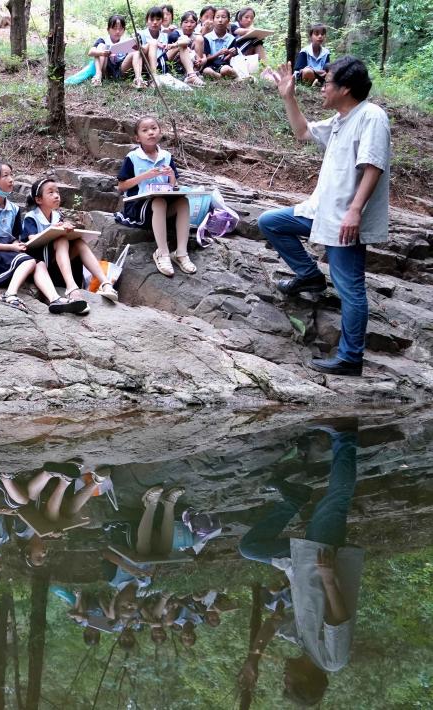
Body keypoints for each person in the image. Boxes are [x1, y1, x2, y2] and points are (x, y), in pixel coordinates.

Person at [260, 58, 390, 376]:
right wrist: (288, 96)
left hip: (346, 221)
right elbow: (303, 131)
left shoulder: (371, 116)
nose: (321, 87)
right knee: (271, 222)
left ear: (345, 88)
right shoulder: (340, 120)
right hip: (321, 212)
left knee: (350, 290)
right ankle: (310, 276)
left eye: (327, 82)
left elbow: (373, 166)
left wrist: (355, 212)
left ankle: (350, 358)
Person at [237, 420, 362, 706]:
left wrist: (254, 658)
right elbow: (338, 620)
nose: (283, 676)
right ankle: (345, 437)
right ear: (305, 680)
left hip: (301, 565)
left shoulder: (304, 644)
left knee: (250, 548)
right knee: (336, 501)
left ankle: (293, 499)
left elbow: (273, 624)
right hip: (324, 562)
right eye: (287, 682)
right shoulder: (332, 661)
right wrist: (328, 577)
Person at [0, 161, 87, 314]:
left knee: (39, 263)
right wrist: (12, 247)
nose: (11, 179)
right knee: (29, 261)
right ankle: (9, 295)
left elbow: (15, 238)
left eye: (11, 175)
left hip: (8, 251)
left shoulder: (14, 209)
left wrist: (20, 246)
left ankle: (54, 299)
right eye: (5, 176)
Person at [115, 116, 196, 277]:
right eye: (145, 130)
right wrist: (145, 175)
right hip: (138, 206)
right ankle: (162, 253)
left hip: (162, 206)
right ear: (137, 138)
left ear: (160, 132)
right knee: (159, 201)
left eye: (154, 128)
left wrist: (171, 175)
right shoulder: (133, 157)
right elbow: (121, 186)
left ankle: (181, 253)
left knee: (183, 202)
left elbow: (173, 186)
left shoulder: (166, 156)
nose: (150, 133)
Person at [21, 177, 119, 305]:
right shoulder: (31, 217)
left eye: (57, 192)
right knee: (61, 240)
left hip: (58, 261)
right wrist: (53, 229)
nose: (56, 195)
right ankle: (71, 287)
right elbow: (32, 239)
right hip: (41, 263)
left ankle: (105, 283)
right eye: (50, 192)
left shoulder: (57, 215)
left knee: (78, 242)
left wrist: (66, 229)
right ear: (38, 199)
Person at [86, 15, 135, 86]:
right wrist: (103, 53)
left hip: (121, 69)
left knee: (135, 51)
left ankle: (138, 79)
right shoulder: (103, 40)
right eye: (114, 28)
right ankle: (98, 75)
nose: (117, 31)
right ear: (108, 29)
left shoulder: (126, 41)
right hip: (106, 69)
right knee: (101, 46)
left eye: (120, 28)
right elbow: (90, 52)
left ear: (124, 30)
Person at [132, 6, 170, 88]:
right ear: (147, 21)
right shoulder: (140, 34)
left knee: (153, 42)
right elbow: (136, 53)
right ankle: (141, 79)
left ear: (162, 21)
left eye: (158, 19)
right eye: (152, 20)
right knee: (144, 48)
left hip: (160, 61)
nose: (155, 22)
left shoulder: (165, 35)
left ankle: (153, 78)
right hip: (142, 64)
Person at [166, 11, 207, 85]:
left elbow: (204, 55)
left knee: (199, 39)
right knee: (184, 40)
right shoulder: (174, 34)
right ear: (181, 24)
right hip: (174, 61)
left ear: (196, 24)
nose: (189, 25)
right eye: (186, 22)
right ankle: (190, 75)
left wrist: (202, 60)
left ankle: (194, 72)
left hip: (193, 61)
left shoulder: (198, 36)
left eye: (192, 22)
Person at [201, 8, 238, 79]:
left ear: (228, 21)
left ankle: (231, 77)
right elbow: (206, 58)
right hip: (210, 66)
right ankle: (222, 78)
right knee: (207, 71)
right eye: (217, 17)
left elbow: (226, 59)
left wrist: (231, 54)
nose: (220, 20)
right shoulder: (207, 37)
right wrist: (219, 53)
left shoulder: (231, 39)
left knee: (226, 69)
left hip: (224, 66)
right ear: (213, 20)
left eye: (223, 17)